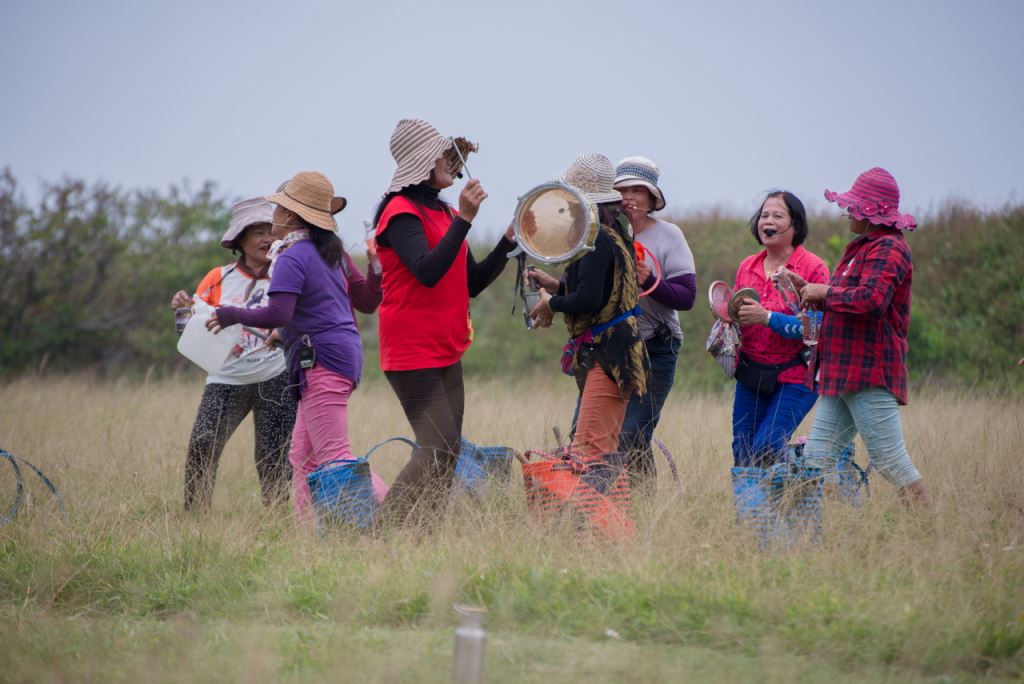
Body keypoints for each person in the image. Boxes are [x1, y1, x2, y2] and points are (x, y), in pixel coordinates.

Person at [208, 171, 384, 525]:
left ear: (289, 217)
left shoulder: (291, 256)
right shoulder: (331, 252)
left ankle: (394, 513)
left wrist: (230, 314)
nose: (271, 215)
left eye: (276, 208)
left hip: (322, 361)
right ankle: (308, 534)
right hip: (338, 355)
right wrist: (377, 269)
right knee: (302, 456)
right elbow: (366, 301)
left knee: (334, 456)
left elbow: (279, 312)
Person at [372, 118, 517, 526]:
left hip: (446, 346)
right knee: (439, 446)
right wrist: (466, 219)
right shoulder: (400, 213)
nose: (451, 163)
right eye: (443, 155)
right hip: (410, 350)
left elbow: (470, 281)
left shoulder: (444, 211)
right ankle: (379, 534)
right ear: (422, 162)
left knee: (447, 451)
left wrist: (508, 242)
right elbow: (426, 271)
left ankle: (422, 535)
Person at [793, 167, 928, 505]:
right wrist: (811, 291)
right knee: (816, 460)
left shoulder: (890, 248)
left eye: (854, 206)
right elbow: (845, 297)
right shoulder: (862, 247)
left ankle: (929, 533)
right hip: (841, 371)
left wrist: (825, 292)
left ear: (871, 213)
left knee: (890, 461)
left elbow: (871, 300)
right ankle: (820, 538)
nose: (847, 210)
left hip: (868, 370)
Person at [528, 153, 650, 473]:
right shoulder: (610, 236)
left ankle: (593, 522)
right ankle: (604, 519)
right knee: (602, 449)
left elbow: (589, 300)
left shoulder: (597, 240)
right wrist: (555, 287)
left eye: (571, 203)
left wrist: (551, 304)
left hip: (610, 352)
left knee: (589, 453)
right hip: (618, 350)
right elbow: (599, 293)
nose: (567, 210)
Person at [172, 197, 296, 512]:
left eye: (271, 230)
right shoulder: (217, 278)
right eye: (257, 232)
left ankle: (278, 526)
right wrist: (182, 312)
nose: (267, 238)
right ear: (239, 240)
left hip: (276, 377)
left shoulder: (288, 271)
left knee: (273, 457)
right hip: (226, 379)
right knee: (202, 445)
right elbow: (188, 330)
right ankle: (194, 523)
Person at [730, 191, 830, 530]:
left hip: (796, 375)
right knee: (743, 452)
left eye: (777, 216)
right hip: (751, 373)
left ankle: (804, 486)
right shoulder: (748, 265)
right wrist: (726, 323)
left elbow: (815, 330)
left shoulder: (812, 267)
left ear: (795, 225)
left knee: (768, 444)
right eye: (764, 215)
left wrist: (767, 318)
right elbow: (739, 313)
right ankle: (759, 529)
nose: (767, 222)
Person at [612, 156, 697, 491]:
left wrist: (651, 281)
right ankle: (638, 501)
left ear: (652, 199)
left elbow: (686, 297)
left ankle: (639, 502)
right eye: (622, 190)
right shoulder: (607, 234)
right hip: (616, 345)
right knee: (620, 432)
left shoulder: (668, 235)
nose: (629, 197)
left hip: (658, 345)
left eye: (638, 190)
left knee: (633, 431)